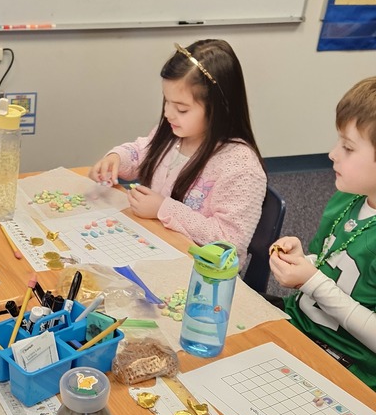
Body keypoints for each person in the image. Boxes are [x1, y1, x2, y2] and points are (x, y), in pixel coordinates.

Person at [89, 39, 266, 267]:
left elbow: (229, 242)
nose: (168, 114)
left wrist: (163, 208)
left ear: (219, 108)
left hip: (199, 273)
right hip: (154, 245)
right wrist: (116, 159)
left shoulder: (241, 168)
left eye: (181, 108)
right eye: (167, 102)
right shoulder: (174, 133)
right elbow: (141, 153)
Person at [270, 77, 376, 391]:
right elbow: (330, 264)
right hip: (300, 325)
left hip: (346, 362)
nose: (332, 154)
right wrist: (303, 260)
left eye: (348, 147)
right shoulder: (348, 197)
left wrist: (311, 281)